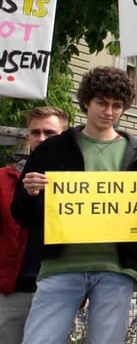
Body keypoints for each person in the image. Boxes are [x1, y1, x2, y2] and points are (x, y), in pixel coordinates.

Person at [12, 67, 137, 344]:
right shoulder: (53, 149)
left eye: (117, 106)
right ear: (86, 102)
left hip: (115, 268)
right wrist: (31, 193)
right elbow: (23, 215)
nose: (109, 111)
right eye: (102, 103)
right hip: (60, 266)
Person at [0, 106, 68, 344]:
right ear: (27, 137)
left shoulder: (79, 182)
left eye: (49, 133)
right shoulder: (3, 179)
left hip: (60, 287)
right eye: (36, 132)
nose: (42, 139)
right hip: (13, 289)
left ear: (64, 135)